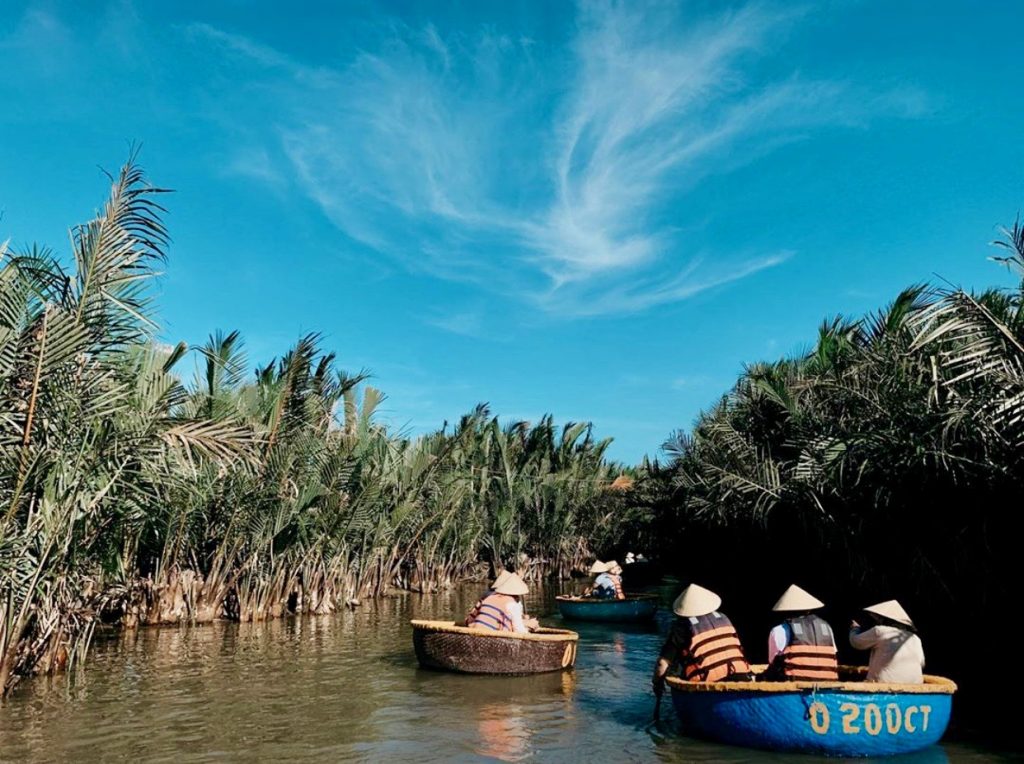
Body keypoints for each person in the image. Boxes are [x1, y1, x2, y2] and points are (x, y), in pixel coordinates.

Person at [652, 583, 752, 698]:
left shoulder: (682, 627)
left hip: (707, 684)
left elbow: (662, 664)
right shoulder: (723, 618)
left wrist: (657, 683)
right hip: (742, 676)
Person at [762, 584, 839, 682]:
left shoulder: (779, 630)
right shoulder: (827, 628)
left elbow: (773, 663)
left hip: (793, 686)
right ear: (808, 609)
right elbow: (834, 656)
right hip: (827, 688)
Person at [849, 600, 925, 684]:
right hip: (915, 684)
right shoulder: (915, 638)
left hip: (884, 683)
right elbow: (922, 663)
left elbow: (856, 642)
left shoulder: (879, 630)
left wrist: (855, 629)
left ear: (885, 619)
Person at [466, 572, 535, 634]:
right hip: (493, 639)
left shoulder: (489, 598)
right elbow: (519, 631)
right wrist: (529, 628)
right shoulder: (512, 604)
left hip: (474, 633)